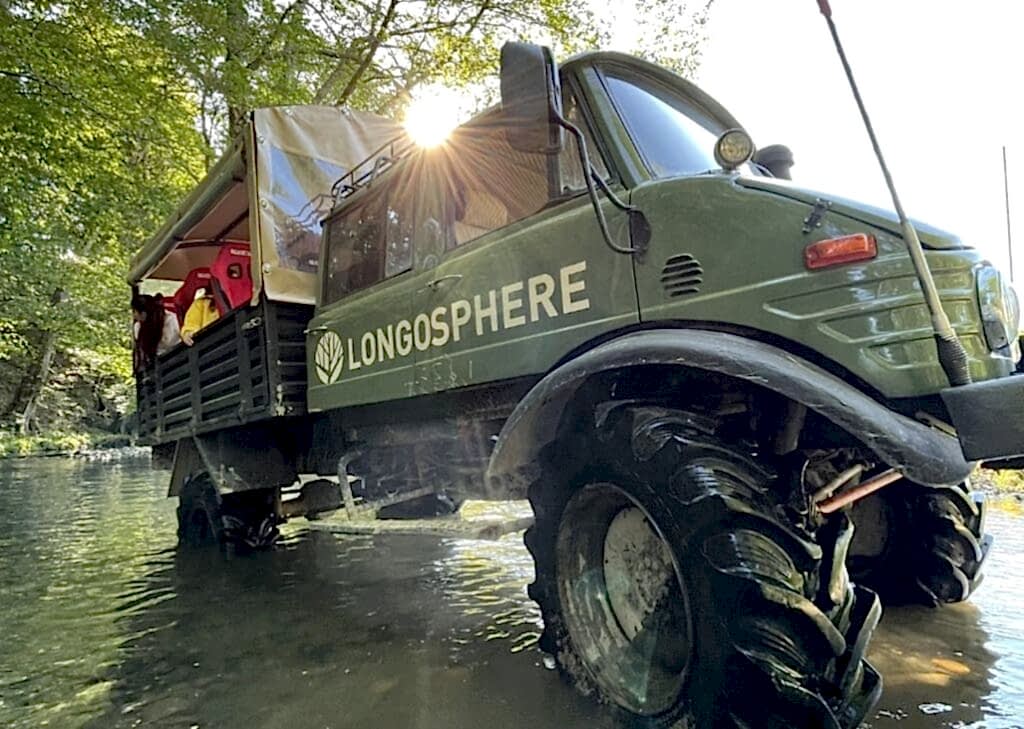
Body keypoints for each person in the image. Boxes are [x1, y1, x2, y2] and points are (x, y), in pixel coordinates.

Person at [131, 293, 180, 369]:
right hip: (155, 366)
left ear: (143, 314)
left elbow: (174, 343)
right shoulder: (138, 327)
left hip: (176, 360)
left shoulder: (170, 320)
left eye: (134, 311)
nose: (134, 315)